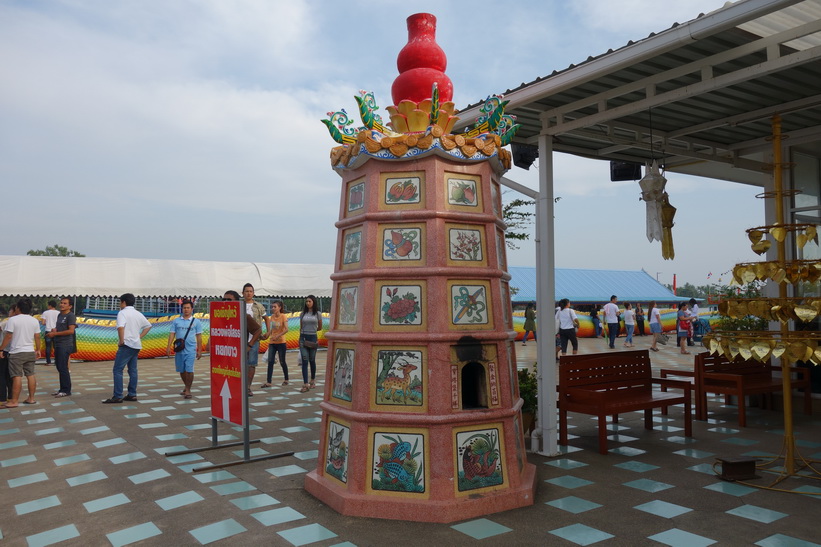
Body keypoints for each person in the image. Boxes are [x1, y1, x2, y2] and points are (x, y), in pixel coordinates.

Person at [103, 293, 151, 404]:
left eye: (120, 302)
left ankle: (118, 395)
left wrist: (121, 341)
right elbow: (148, 326)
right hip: (136, 345)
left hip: (126, 345)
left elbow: (120, 327)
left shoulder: (122, 313)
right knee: (133, 370)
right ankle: (132, 394)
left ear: (124, 302)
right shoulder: (138, 313)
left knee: (118, 370)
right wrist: (139, 336)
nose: (120, 304)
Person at [0, 298, 42, 408]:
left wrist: (1, 349)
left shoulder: (13, 320)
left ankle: (14, 401)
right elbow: (37, 337)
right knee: (30, 375)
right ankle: (31, 398)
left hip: (17, 352)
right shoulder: (34, 320)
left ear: (18, 308)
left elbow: (8, 336)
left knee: (16, 376)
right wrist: (38, 349)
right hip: (29, 351)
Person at [222, 290, 263, 396]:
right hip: (228, 351)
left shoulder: (243, 316)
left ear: (236, 302)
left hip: (245, 347)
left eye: (229, 300)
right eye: (224, 299)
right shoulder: (220, 315)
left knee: (250, 365)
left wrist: (250, 344)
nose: (226, 302)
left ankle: (247, 387)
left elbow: (258, 330)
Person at [165, 299, 202, 399]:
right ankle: (186, 386)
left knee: (189, 369)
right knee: (182, 370)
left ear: (192, 309)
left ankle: (188, 390)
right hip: (179, 349)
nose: (186, 310)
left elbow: (199, 336)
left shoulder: (196, 322)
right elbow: (172, 333)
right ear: (182, 309)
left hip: (191, 350)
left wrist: (199, 350)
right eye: (184, 308)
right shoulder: (176, 321)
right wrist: (168, 347)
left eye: (188, 308)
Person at [47, 297, 76, 397]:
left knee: (63, 367)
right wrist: (54, 330)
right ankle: (62, 389)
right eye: (61, 303)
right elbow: (60, 328)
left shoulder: (70, 316)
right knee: (59, 367)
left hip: (65, 344)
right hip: (58, 343)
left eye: (65, 303)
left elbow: (71, 331)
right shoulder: (60, 315)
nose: (62, 305)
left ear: (70, 306)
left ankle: (66, 390)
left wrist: (55, 334)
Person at [242, 283, 269, 394]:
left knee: (251, 364)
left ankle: (248, 387)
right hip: (240, 339)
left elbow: (266, 318)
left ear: (253, 293)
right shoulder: (238, 305)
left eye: (250, 291)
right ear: (242, 293)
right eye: (246, 291)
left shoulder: (258, 306)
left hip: (254, 339)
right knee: (240, 363)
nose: (248, 293)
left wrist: (268, 331)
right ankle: (240, 386)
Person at [262, 299, 289, 388]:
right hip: (272, 342)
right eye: (272, 307)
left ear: (279, 308)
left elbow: (286, 329)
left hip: (281, 342)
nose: (273, 308)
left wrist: (278, 336)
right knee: (270, 361)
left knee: (282, 361)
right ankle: (268, 381)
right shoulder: (272, 317)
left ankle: (286, 379)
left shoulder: (283, 316)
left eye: (275, 307)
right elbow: (270, 330)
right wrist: (265, 335)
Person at [299, 295, 322, 393]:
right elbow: (301, 326)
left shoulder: (318, 314)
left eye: (309, 301)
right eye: (307, 301)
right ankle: (305, 383)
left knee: (312, 360)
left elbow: (320, 327)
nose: (308, 303)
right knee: (305, 360)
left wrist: (312, 331)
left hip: (313, 337)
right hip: (303, 338)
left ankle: (312, 379)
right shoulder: (302, 314)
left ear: (313, 302)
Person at [0, 304, 16, 404]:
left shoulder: (7, 322)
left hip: (4, 350)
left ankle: (2, 398)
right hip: (14, 351)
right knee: (10, 375)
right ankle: (10, 396)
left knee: (2, 375)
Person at [40, 300, 59, 365]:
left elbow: (43, 322)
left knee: (48, 347)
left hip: (48, 331)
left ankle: (48, 362)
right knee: (56, 347)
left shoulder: (45, 313)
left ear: (50, 306)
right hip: (56, 331)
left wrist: (48, 323)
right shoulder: (59, 313)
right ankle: (57, 361)